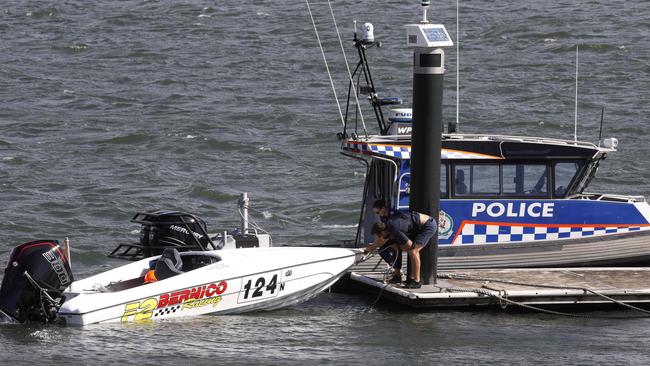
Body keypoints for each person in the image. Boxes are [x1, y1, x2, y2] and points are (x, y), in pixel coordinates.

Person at [371, 199, 438, 289]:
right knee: (397, 246)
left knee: (413, 251)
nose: (378, 215)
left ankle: (417, 281)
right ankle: (402, 277)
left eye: (378, 212)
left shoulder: (394, 226)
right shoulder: (386, 222)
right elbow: (385, 239)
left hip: (427, 225)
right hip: (412, 227)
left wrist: (369, 248)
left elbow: (409, 245)